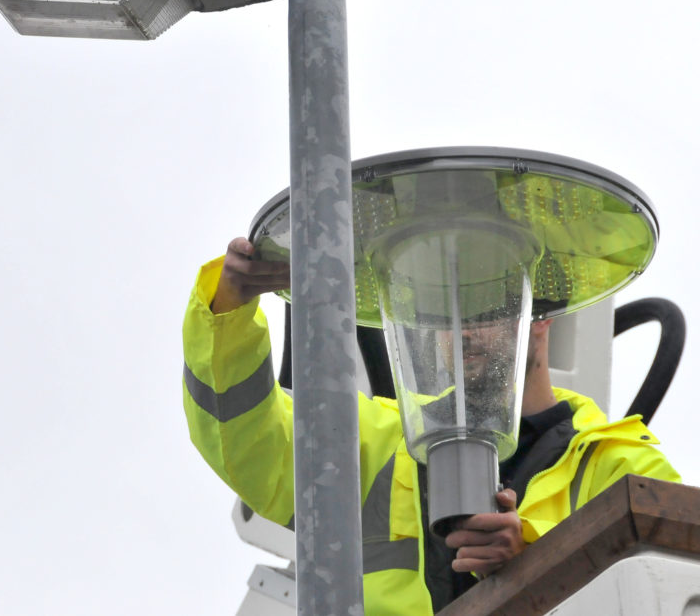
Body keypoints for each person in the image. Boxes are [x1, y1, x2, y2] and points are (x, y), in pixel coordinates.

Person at [182, 237, 681, 615]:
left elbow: (668, 588)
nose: (463, 331)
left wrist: (534, 558)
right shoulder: (375, 440)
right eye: (447, 311)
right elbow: (242, 435)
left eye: (487, 308)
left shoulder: (620, 464)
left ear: (541, 316)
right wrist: (228, 309)